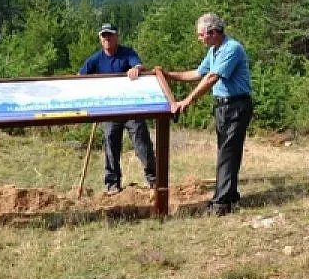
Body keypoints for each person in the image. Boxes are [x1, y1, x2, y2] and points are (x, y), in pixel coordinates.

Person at [163, 13, 253, 216]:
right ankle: (230, 196)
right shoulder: (214, 51)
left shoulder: (231, 49)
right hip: (223, 107)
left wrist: (187, 100)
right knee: (227, 151)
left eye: (200, 34)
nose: (199, 38)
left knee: (227, 152)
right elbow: (197, 73)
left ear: (213, 32)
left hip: (236, 106)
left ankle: (221, 204)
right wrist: (168, 75)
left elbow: (212, 78)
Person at [79, 22, 157, 194]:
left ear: (116, 37)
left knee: (142, 144)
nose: (107, 38)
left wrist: (136, 69)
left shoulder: (127, 53)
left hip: (132, 109)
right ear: (100, 39)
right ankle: (112, 184)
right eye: (104, 35)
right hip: (109, 109)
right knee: (110, 145)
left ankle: (154, 179)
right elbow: (79, 77)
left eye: (110, 35)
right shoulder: (95, 59)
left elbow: (138, 65)